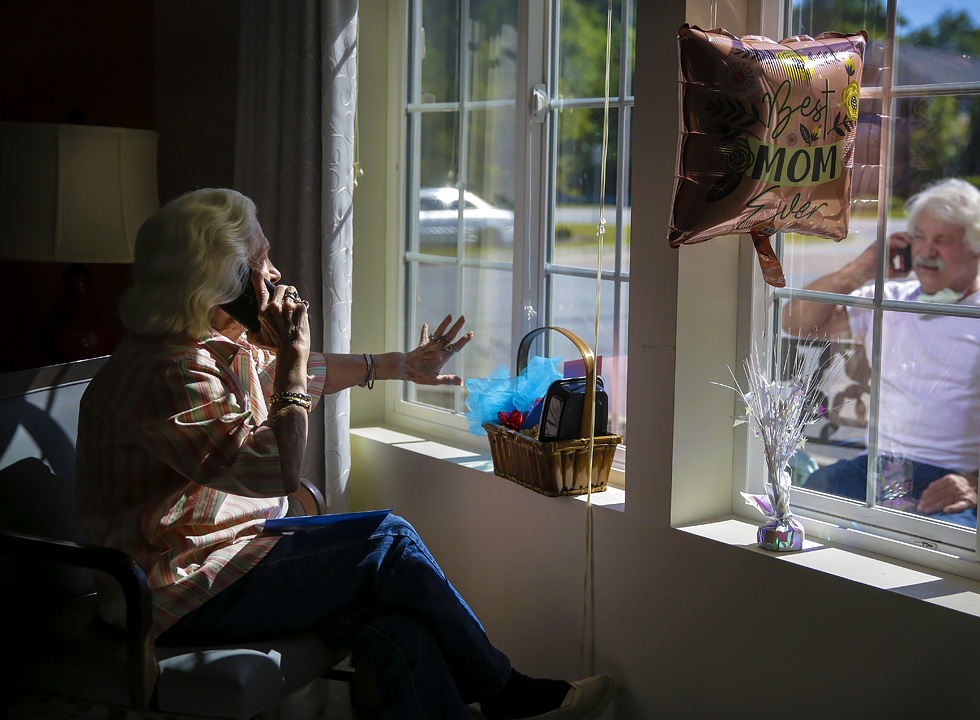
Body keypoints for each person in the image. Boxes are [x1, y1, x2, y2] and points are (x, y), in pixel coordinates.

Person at [75, 188, 614, 719]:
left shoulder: (214, 346)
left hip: (234, 556)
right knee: (388, 538)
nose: (276, 274)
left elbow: (309, 373)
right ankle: (507, 693)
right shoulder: (170, 370)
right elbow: (279, 469)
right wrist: (291, 354)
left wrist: (398, 365)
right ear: (222, 283)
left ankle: (502, 698)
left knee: (395, 628)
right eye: (261, 263)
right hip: (172, 590)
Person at [781, 178, 980, 528]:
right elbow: (796, 321)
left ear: (976, 249)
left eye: (942, 240)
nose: (927, 251)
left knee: (953, 540)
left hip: (952, 478)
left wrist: (978, 483)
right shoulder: (889, 298)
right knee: (805, 502)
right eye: (919, 238)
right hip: (879, 467)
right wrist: (863, 268)